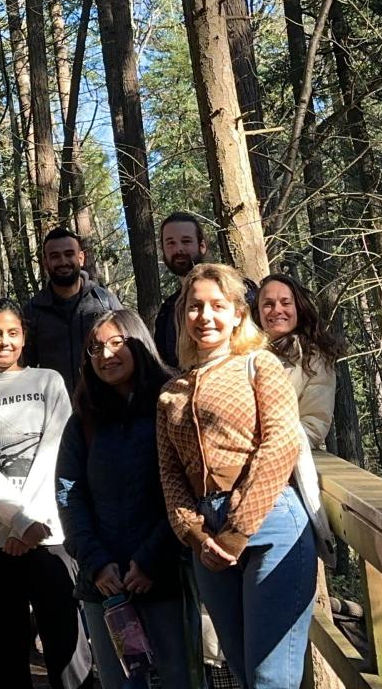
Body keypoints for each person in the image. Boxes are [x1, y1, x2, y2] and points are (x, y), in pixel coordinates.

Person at [156, 263, 314, 689]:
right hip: (207, 542)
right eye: (194, 307)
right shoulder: (172, 391)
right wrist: (194, 532)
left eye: (216, 306)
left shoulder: (260, 365)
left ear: (238, 315)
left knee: (270, 679)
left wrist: (238, 530)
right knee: (244, 675)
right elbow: (170, 474)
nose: (204, 317)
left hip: (271, 527)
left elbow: (282, 443)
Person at [0, 299, 92, 689]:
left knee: (66, 643)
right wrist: (18, 521)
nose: (3, 342)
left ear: (24, 337)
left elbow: (55, 456)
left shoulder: (48, 382)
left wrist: (29, 524)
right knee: (7, 649)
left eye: (12, 333)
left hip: (49, 535)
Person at [56, 310, 191, 689]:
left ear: (139, 343)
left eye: (117, 343)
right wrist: (96, 562)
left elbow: (187, 488)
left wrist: (150, 560)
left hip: (163, 577)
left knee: (177, 677)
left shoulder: (172, 404)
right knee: (120, 682)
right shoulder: (84, 418)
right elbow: (69, 492)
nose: (105, 355)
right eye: (95, 348)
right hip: (105, 586)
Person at [22, 228, 122, 391]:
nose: (63, 261)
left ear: (81, 258)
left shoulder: (105, 302)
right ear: (45, 263)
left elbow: (129, 353)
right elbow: (23, 369)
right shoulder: (32, 312)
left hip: (105, 408)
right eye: (55, 256)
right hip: (55, 410)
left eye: (69, 254)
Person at [154, 212, 256, 369]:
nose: (179, 249)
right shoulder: (167, 310)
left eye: (186, 241)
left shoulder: (240, 290)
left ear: (202, 246)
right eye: (171, 243)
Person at [256, 274, 345, 449]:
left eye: (285, 302)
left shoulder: (314, 359)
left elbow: (313, 426)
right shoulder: (241, 354)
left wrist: (267, 451)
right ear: (257, 312)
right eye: (268, 304)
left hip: (280, 462)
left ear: (299, 308)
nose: (277, 310)